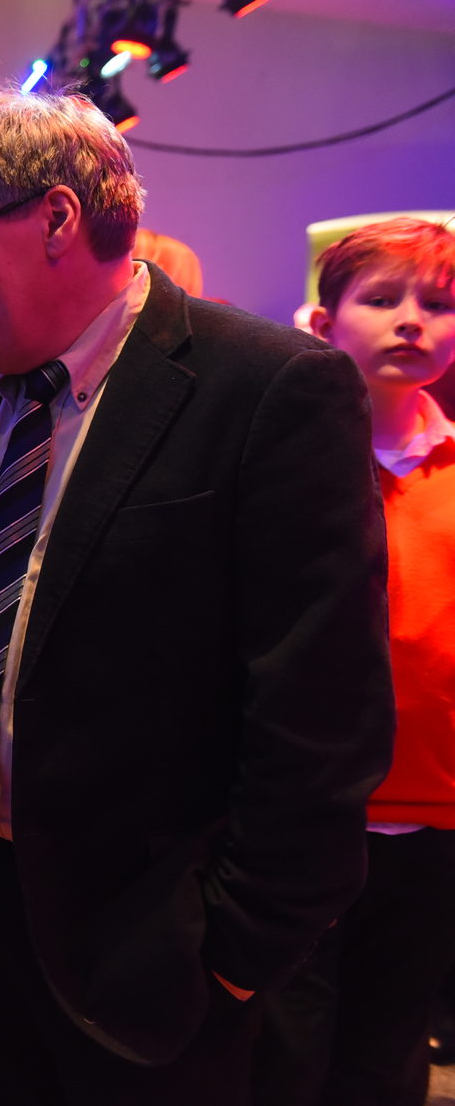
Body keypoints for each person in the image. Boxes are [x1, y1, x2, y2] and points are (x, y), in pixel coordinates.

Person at [0, 92, 394, 1105]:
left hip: (156, 943)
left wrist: (231, 958)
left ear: (56, 217)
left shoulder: (268, 387)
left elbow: (321, 716)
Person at [251, 217, 455, 1106]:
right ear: (325, 321)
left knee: (389, 1044)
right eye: (382, 298)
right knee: (283, 1046)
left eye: (438, 303)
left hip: (436, 814)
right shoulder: (287, 460)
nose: (412, 320)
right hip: (304, 807)